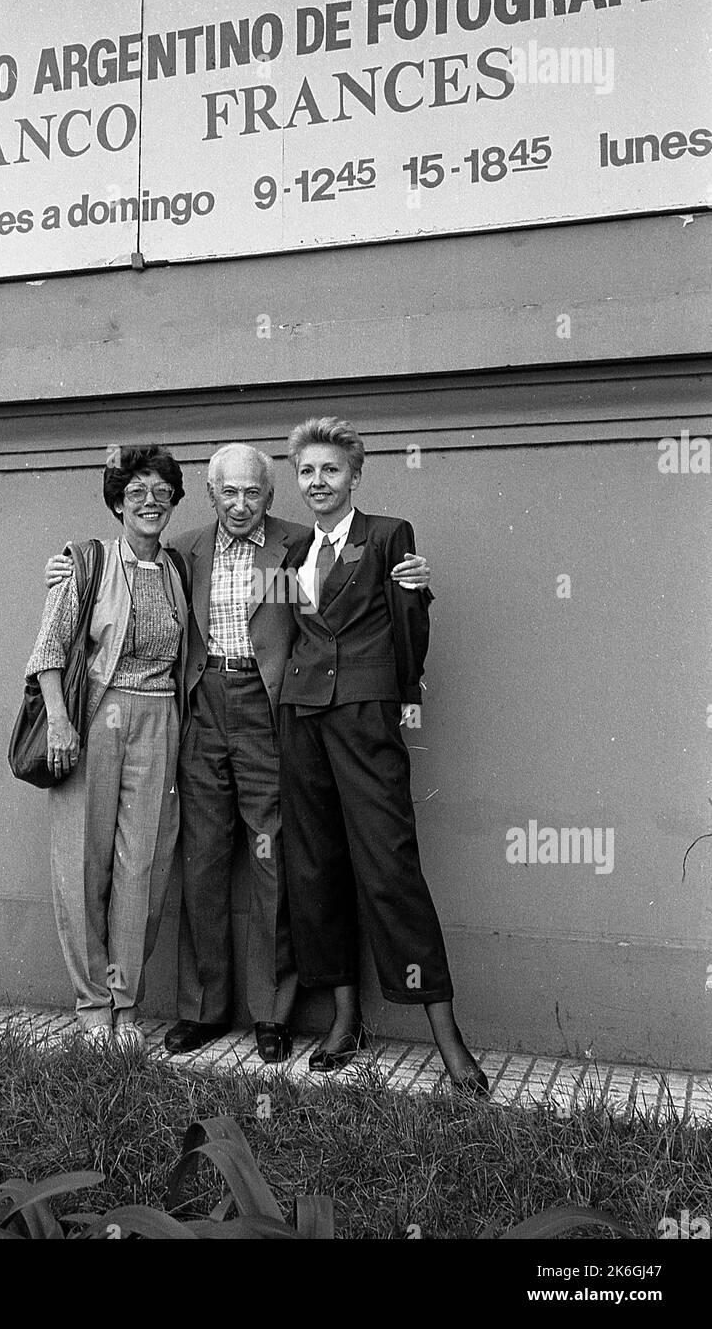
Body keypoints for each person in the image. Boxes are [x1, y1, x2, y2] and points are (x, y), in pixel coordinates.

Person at [44, 442, 430, 1062]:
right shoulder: (185, 551)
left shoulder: (298, 545)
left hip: (270, 708)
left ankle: (271, 1013)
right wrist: (63, 569)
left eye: (254, 492)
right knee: (201, 856)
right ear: (211, 495)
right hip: (200, 706)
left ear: (271, 498)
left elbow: (353, 583)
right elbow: (120, 568)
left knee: (271, 854)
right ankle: (201, 1009)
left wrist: (408, 578)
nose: (242, 503)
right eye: (230, 492)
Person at [278, 417, 487, 1091]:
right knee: (315, 869)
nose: (318, 482)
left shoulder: (390, 535)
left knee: (389, 868)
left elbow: (409, 633)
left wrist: (414, 596)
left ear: (355, 476)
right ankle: (345, 1021)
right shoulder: (289, 555)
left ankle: (448, 1041)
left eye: (330, 470)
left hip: (366, 719)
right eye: (307, 471)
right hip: (301, 719)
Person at [26, 445, 189, 1053]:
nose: (150, 502)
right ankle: (93, 1006)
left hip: (159, 718)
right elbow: (48, 650)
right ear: (117, 502)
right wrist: (62, 724)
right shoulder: (85, 563)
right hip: (96, 719)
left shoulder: (176, 568)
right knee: (83, 863)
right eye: (136, 492)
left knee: (142, 864)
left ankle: (126, 1001)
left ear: (173, 501)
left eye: (161, 492)